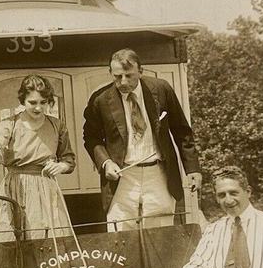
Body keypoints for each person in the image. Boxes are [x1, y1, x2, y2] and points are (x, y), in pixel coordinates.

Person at [82, 48, 202, 231]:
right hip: (123, 176)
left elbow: (181, 130)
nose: (123, 82)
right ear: (110, 73)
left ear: (140, 71)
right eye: (117, 76)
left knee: (160, 233)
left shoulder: (161, 89)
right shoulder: (100, 100)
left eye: (129, 76)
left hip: (158, 173)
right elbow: (91, 137)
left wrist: (192, 168)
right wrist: (106, 162)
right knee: (120, 234)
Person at [0, 75, 76, 243]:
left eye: (43, 102)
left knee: (47, 241)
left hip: (46, 190)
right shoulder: (9, 125)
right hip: (16, 187)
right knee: (12, 240)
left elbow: (68, 159)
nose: (38, 108)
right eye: (32, 102)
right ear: (22, 101)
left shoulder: (57, 125)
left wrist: (61, 166)